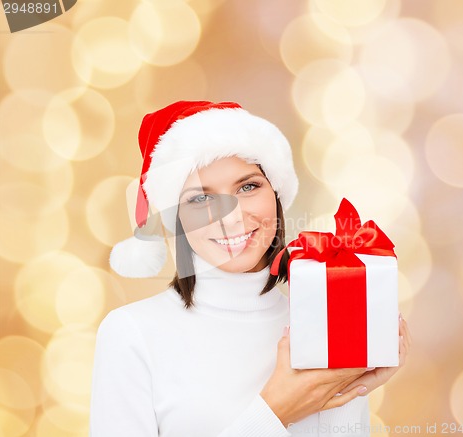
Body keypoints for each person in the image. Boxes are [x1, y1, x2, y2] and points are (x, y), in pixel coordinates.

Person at [89, 101, 411, 436]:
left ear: (275, 192)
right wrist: (275, 411)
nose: (232, 216)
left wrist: (346, 389)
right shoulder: (132, 334)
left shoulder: (320, 318)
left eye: (248, 186)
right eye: (200, 199)